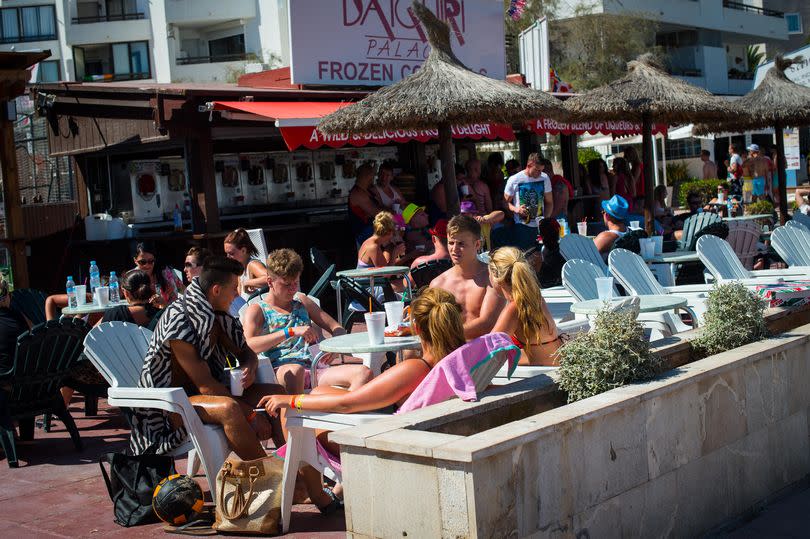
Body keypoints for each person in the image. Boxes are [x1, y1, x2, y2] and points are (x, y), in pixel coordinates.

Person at [129, 257, 282, 456]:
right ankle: (268, 477)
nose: (237, 296)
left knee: (278, 394)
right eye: (234, 289)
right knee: (230, 409)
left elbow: (246, 352)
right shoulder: (180, 321)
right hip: (170, 408)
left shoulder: (217, 315)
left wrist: (249, 366)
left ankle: (291, 465)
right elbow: (206, 386)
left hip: (205, 396)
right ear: (216, 290)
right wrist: (251, 415)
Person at [259, 286, 465, 420]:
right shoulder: (460, 358)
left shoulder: (414, 368)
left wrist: (292, 400)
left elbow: (346, 404)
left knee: (296, 408)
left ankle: (308, 486)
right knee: (320, 392)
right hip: (426, 421)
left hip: (388, 434)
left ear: (416, 329)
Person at [243, 249, 371, 398]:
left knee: (363, 373)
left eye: (296, 283)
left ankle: (341, 408)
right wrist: (289, 332)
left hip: (315, 367)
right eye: (286, 284)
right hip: (283, 369)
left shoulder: (302, 301)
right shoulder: (258, 309)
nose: (292, 289)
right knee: (295, 371)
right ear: (270, 282)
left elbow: (337, 328)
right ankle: (298, 417)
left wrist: (333, 349)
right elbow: (249, 345)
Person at [430, 215, 505, 340]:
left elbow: (487, 324)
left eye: (461, 244)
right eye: (451, 242)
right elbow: (431, 322)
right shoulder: (438, 284)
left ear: (477, 244)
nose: (454, 249)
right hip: (448, 352)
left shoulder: (492, 277)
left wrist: (445, 336)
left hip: (484, 353)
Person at [489, 247, 561, 365]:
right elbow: (538, 353)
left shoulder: (514, 309)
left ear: (496, 278)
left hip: (543, 379)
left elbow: (487, 351)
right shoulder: (537, 298)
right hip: (557, 368)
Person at [504, 153, 553, 234]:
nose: (540, 173)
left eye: (542, 170)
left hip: (540, 226)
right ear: (529, 165)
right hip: (521, 226)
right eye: (537, 170)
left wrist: (545, 220)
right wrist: (517, 209)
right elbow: (505, 203)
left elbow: (550, 202)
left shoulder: (545, 178)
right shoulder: (514, 179)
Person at [224, 228, 268, 301]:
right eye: (226, 253)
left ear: (243, 250)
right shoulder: (240, 270)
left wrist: (247, 283)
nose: (228, 257)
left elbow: (270, 278)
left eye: (231, 253)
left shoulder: (253, 265)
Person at [349, 164, 385, 244]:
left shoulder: (371, 191)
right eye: (373, 175)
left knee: (403, 229)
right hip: (365, 234)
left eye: (388, 175)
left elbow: (382, 207)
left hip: (379, 228)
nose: (374, 178)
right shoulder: (357, 193)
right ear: (367, 176)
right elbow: (378, 213)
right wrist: (396, 215)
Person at [0, 276, 29, 373]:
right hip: (24, 377)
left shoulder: (13, 315)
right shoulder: (15, 316)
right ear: (4, 298)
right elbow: (34, 332)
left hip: (6, 381)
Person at [536, 218, 566, 289]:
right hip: (562, 284)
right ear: (558, 232)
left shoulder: (540, 251)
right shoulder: (565, 249)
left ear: (541, 235)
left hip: (545, 285)